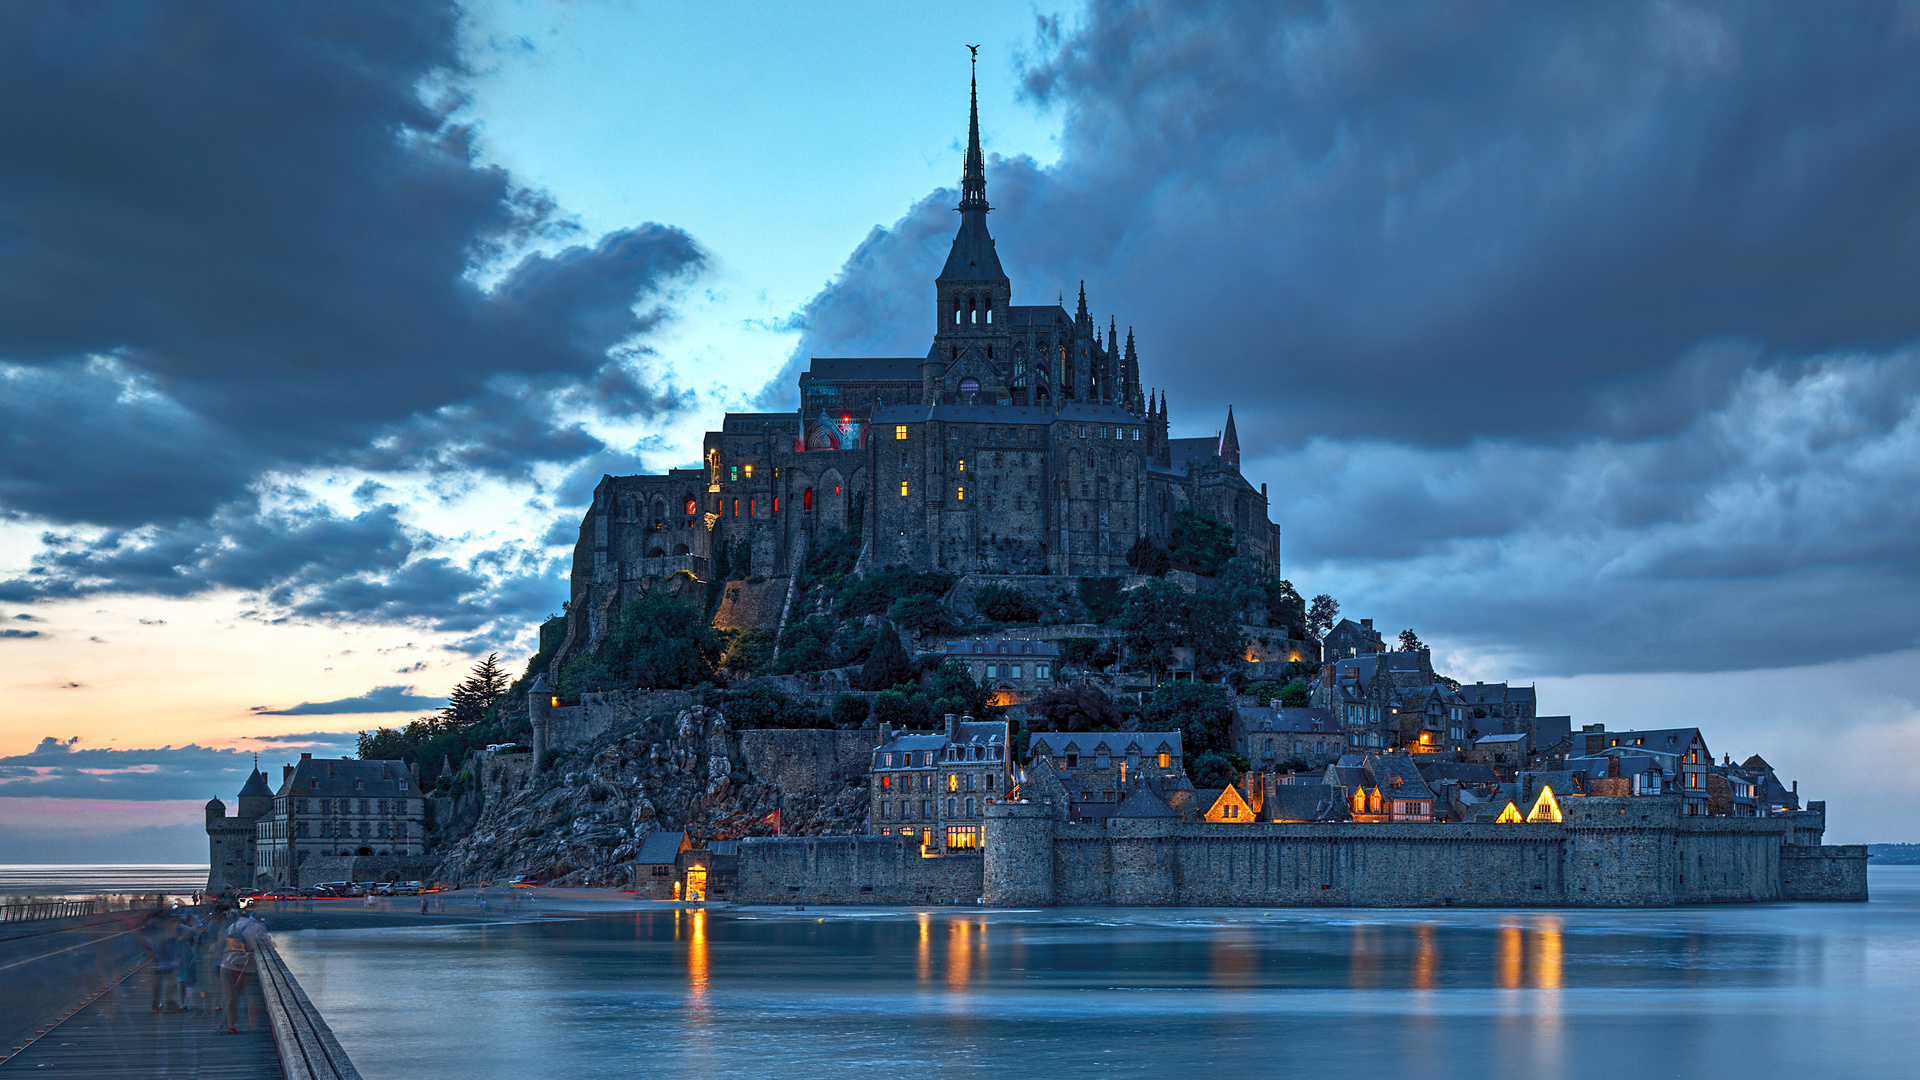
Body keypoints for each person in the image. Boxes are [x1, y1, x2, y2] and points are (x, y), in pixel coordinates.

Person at [215, 905, 266, 1034]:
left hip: (228, 964)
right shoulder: (256, 927)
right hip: (247, 967)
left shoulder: (233, 926)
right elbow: (265, 945)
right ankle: (253, 1025)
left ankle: (232, 1026)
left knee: (230, 997)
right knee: (251, 996)